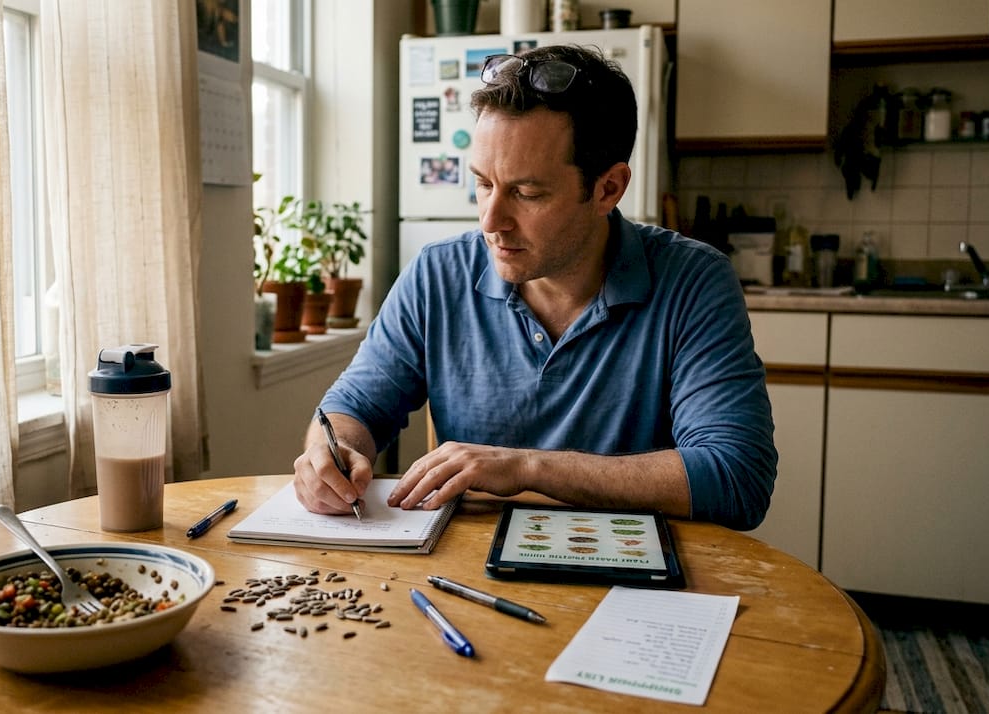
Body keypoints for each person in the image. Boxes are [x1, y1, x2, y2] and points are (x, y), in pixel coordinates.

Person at [292, 45, 776, 530]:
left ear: (608, 188)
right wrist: (330, 453)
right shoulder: (437, 275)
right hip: (466, 573)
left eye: (526, 193)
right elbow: (354, 407)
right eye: (483, 183)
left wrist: (525, 467)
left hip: (633, 583)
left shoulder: (693, 281)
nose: (491, 220)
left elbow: (736, 477)